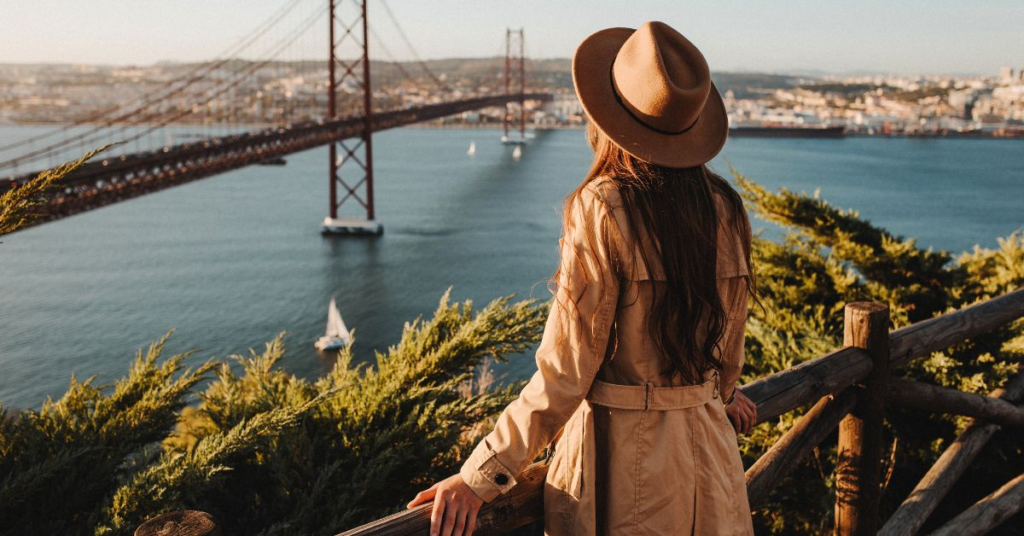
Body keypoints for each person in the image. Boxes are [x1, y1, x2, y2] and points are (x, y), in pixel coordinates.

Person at [407, 20, 759, 536]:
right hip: (712, 456)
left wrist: (480, 474)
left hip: (628, 468)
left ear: (608, 118)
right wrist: (721, 395)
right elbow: (727, 351)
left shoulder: (603, 206)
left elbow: (566, 371)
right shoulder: (724, 205)